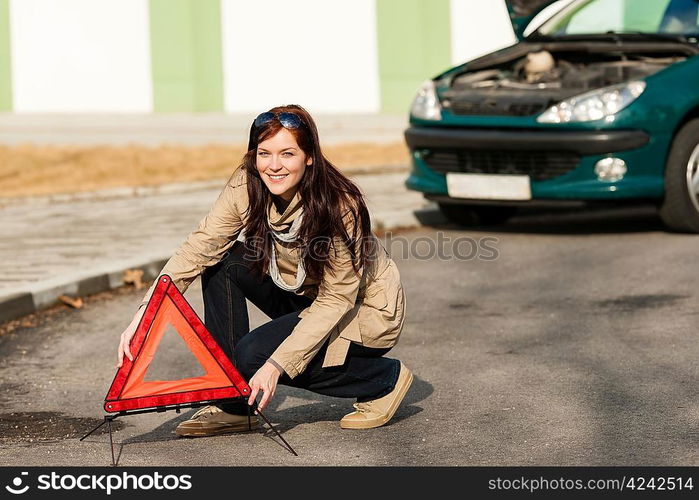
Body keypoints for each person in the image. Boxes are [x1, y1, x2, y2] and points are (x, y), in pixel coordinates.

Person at [116, 104, 411, 436]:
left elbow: (337, 300)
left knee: (256, 356)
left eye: (287, 153)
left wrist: (275, 366)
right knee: (224, 262)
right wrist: (147, 312)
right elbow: (200, 245)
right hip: (305, 296)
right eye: (264, 153)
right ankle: (234, 405)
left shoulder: (339, 206)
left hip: (362, 309)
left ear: (309, 156)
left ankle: (383, 380)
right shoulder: (248, 183)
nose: (274, 166)